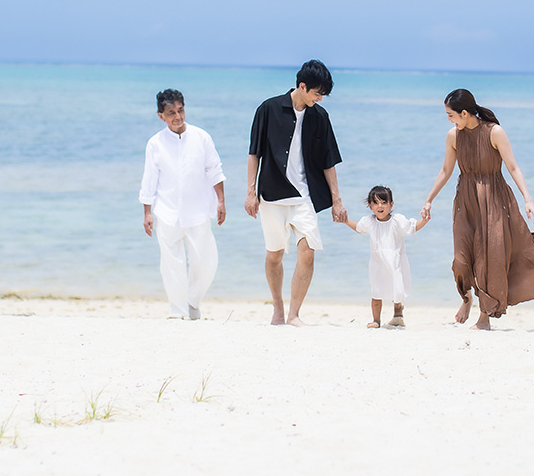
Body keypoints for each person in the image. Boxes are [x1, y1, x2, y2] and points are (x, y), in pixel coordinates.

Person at [422, 89, 534, 330]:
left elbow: (513, 167)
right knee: (462, 258)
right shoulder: (453, 136)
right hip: (466, 201)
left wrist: (528, 200)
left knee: (489, 257)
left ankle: (484, 317)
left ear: (464, 113)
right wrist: (429, 199)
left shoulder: (494, 132)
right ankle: (466, 298)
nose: (448, 119)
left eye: (450, 115)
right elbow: (446, 171)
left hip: (494, 201)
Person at [245, 60, 346, 326]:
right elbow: (254, 153)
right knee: (275, 255)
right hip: (272, 195)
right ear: (302, 86)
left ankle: (294, 314)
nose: (320, 98)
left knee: (308, 252)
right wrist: (250, 192)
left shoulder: (320, 117)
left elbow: (329, 161)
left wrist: (337, 200)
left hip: (304, 196)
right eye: (317, 93)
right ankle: (278, 309)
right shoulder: (268, 109)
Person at [138, 89, 226, 320]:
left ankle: (192, 300)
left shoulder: (201, 137)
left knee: (207, 261)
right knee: (171, 264)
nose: (177, 116)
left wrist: (221, 201)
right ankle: (177, 311)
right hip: (166, 212)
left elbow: (215, 171)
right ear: (161, 116)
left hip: (198, 211)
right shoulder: (155, 144)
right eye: (171, 113)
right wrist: (147, 212)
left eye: (180, 110)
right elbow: (149, 179)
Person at [343, 185, 429, 329]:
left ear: (391, 204)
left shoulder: (397, 221)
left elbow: (412, 227)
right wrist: (345, 221)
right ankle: (376, 320)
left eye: (384, 202)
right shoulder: (370, 221)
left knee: (397, 290)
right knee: (376, 291)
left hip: (395, 263)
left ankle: (398, 314)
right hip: (377, 263)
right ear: (370, 206)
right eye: (376, 203)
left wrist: (424, 220)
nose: (380, 206)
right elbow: (358, 228)